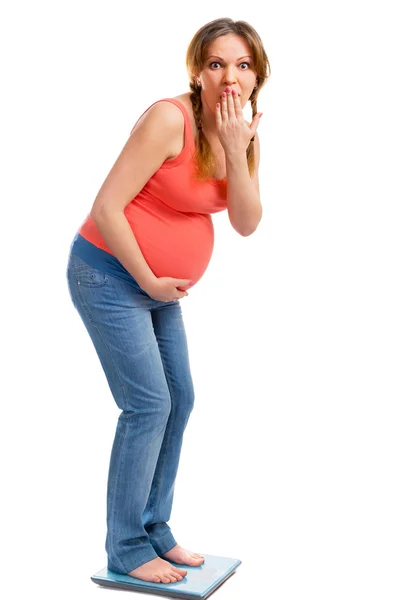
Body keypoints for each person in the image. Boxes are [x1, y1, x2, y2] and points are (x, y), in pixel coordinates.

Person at [66, 17, 270, 585]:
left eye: (243, 65)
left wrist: (235, 147)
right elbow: (107, 207)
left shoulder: (242, 133)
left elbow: (247, 223)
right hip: (108, 273)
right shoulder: (167, 119)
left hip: (156, 287)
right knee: (148, 405)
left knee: (180, 400)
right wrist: (151, 281)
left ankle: (155, 529)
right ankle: (126, 547)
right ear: (197, 72)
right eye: (216, 64)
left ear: (258, 77)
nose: (230, 77)